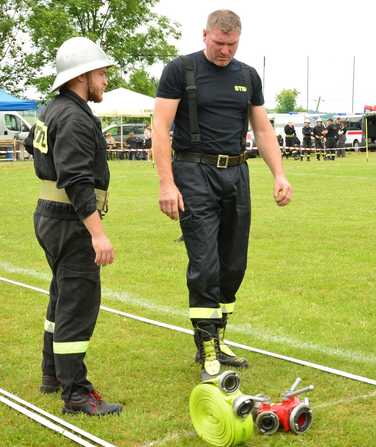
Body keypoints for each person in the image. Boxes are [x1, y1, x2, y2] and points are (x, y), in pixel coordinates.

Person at [153, 9, 292, 382]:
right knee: (206, 263)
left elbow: (262, 130)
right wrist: (166, 183)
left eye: (231, 44)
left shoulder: (247, 76)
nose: (225, 51)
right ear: (204, 35)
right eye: (218, 43)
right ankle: (206, 346)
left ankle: (220, 336)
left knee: (233, 264)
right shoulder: (180, 71)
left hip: (236, 172)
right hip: (193, 172)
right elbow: (160, 125)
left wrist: (279, 174)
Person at [24, 37, 122, 416]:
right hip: (70, 221)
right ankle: (76, 393)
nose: (105, 80)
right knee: (78, 305)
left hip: (49, 215)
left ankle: (52, 375)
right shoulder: (76, 117)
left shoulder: (52, 110)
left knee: (60, 298)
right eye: (101, 73)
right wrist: (97, 233)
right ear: (82, 76)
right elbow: (78, 179)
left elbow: (35, 148)